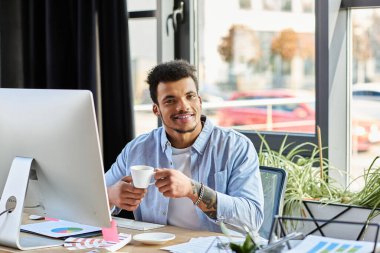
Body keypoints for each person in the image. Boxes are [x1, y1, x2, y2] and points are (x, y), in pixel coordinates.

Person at [105, 60, 264, 233]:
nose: (183, 106)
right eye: (170, 100)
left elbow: (252, 218)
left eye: (190, 96)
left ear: (200, 101)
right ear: (156, 110)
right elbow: (93, 199)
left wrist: (192, 190)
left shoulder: (235, 146)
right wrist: (111, 196)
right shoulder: (137, 149)